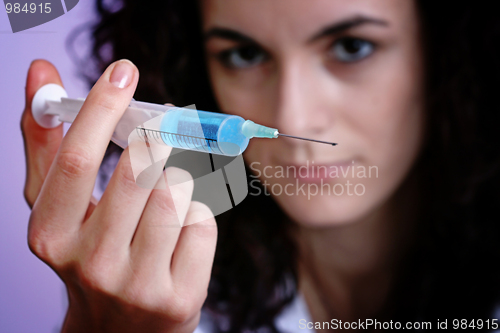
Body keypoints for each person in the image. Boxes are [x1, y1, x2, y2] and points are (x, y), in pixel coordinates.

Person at [21, 0, 500, 332]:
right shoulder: (140, 288)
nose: (291, 117)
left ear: (443, 53)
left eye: (351, 46)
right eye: (244, 54)